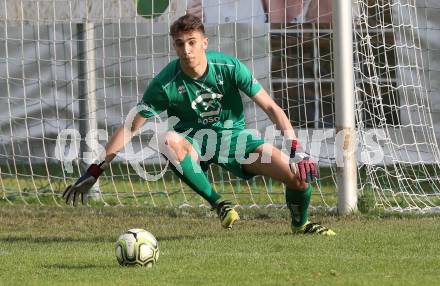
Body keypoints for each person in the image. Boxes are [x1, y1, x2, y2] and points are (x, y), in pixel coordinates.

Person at [63, 14, 335, 236]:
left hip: (235, 141)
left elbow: (272, 108)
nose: (186, 50)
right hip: (192, 144)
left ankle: (301, 225)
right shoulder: (165, 83)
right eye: (180, 44)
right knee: (167, 140)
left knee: (298, 178)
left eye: (192, 42)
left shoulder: (228, 67)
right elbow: (130, 126)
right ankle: (219, 204)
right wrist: (96, 168)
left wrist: (296, 149)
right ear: (174, 46)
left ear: (204, 42)